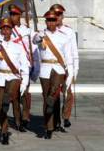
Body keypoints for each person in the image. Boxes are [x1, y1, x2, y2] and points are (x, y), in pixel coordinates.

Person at [33, 10, 73, 139]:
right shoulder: (41, 35)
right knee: (46, 98)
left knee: (54, 92)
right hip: (45, 68)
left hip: (58, 68)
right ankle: (48, 128)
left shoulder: (63, 36)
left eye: (53, 20)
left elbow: (68, 55)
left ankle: (51, 101)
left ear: (57, 21)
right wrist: (39, 37)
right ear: (46, 22)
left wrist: (71, 71)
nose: (51, 23)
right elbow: (35, 41)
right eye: (48, 20)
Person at [0, 17, 30, 145]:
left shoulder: (18, 46)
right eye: (3, 28)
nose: (5, 30)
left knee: (8, 96)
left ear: (11, 30)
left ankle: (8, 101)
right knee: (1, 108)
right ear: (0, 30)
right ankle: (4, 132)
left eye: (8, 28)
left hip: (13, 77)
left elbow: (24, 64)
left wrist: (25, 81)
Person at [8, 4, 39, 130]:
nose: (12, 17)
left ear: (20, 16)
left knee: (25, 93)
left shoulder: (27, 30)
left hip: (25, 66)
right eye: (11, 14)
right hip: (12, 67)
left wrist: (39, 36)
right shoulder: (6, 29)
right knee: (14, 96)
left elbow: (35, 41)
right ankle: (18, 120)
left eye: (15, 14)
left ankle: (25, 116)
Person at [50, 3, 79, 129]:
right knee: (54, 94)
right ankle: (55, 120)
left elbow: (74, 52)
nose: (57, 17)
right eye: (54, 15)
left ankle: (66, 117)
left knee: (68, 93)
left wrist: (75, 69)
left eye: (59, 15)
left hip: (67, 66)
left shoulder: (69, 31)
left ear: (62, 16)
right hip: (54, 67)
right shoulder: (47, 32)